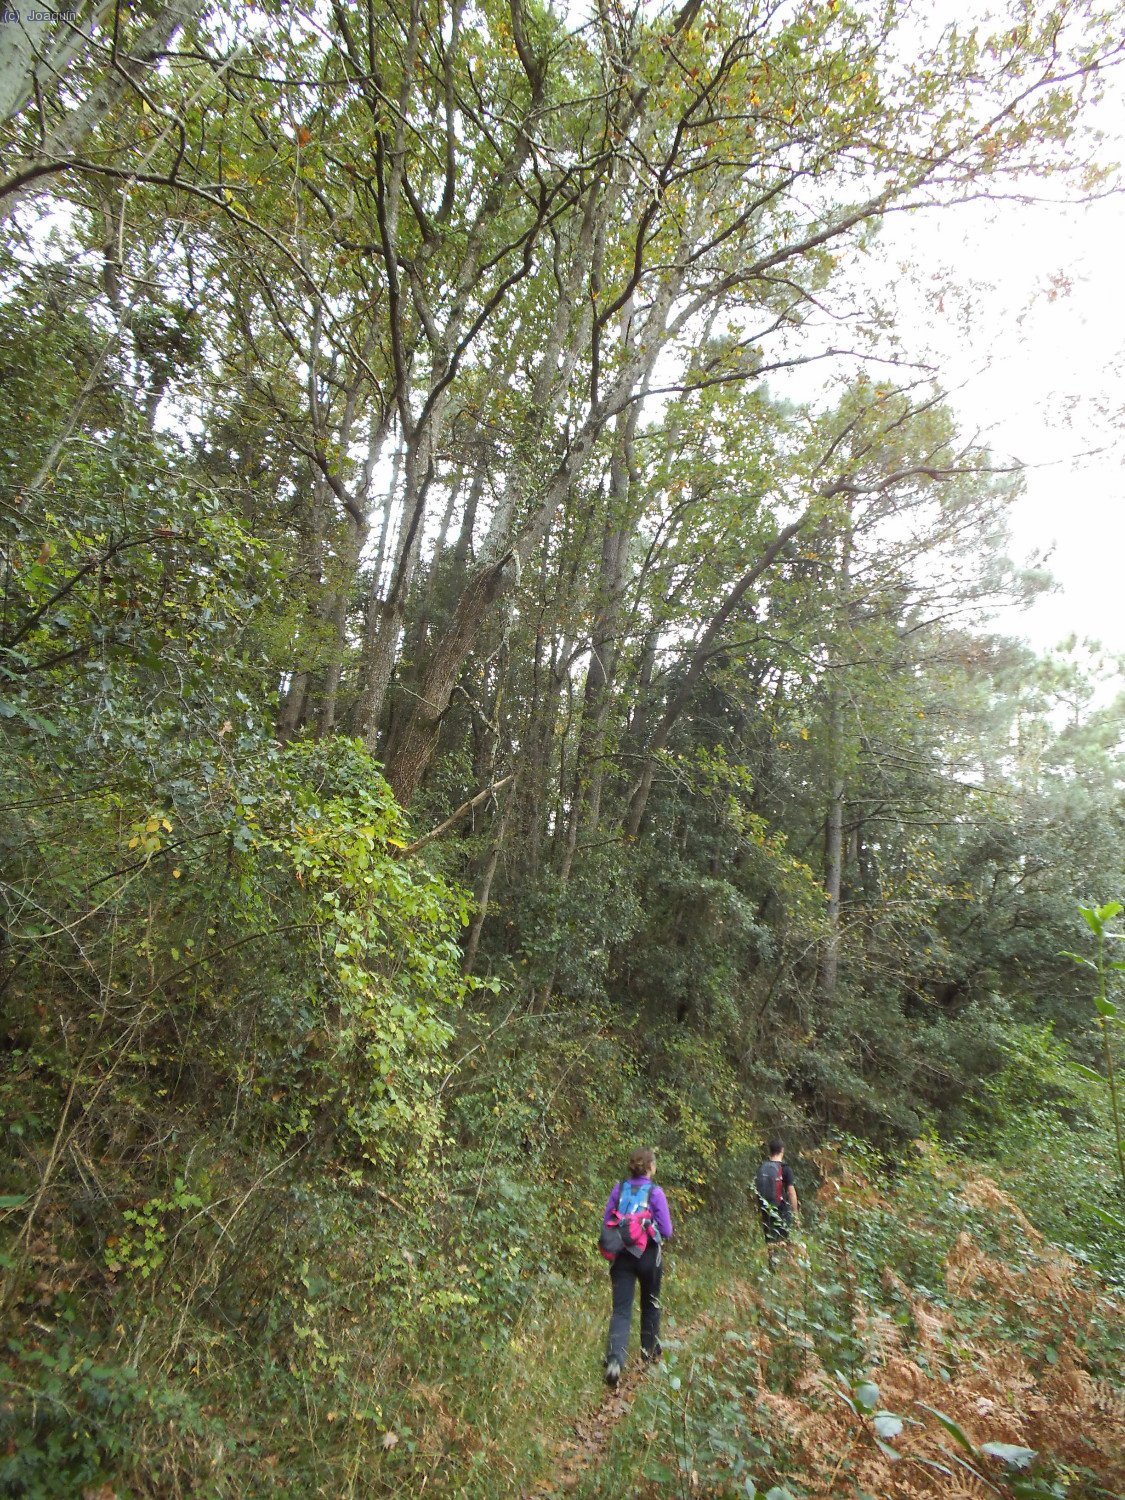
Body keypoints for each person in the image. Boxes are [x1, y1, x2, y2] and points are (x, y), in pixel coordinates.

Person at [602, 1146, 673, 1388]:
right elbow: (667, 1230)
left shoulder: (618, 1188)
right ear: (651, 1167)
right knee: (650, 1304)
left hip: (621, 1256)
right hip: (648, 1255)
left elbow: (607, 1222)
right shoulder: (655, 1192)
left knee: (621, 1310)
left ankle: (614, 1360)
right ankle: (649, 1357)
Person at [755, 1136, 798, 1265]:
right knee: (786, 1240)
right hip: (781, 1209)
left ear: (770, 1151)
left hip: (766, 1210)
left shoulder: (762, 1168)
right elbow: (791, 1192)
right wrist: (796, 1214)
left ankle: (772, 1267)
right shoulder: (785, 1169)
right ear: (782, 1150)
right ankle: (787, 1268)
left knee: (770, 1242)